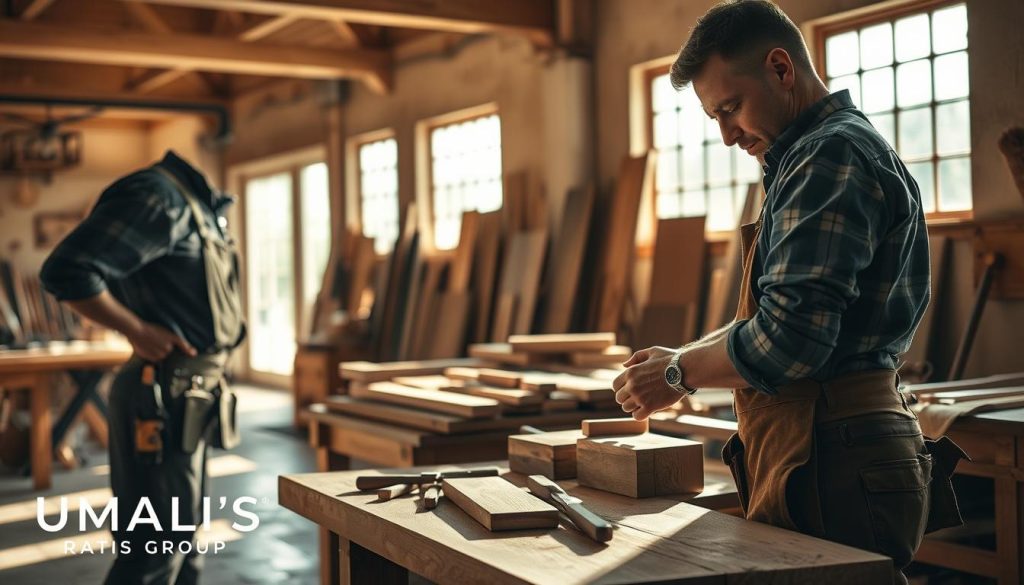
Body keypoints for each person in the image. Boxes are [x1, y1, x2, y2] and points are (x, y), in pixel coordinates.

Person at [611, 2, 963, 583]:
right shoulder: (809, 156)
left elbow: (792, 339)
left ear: (781, 69)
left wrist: (679, 374)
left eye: (731, 109)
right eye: (714, 119)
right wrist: (678, 360)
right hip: (822, 448)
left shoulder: (829, 155)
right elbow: (780, 313)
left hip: (837, 456)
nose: (726, 135)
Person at [41, 150, 245, 585]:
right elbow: (66, 270)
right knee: (154, 549)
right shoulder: (159, 197)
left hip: (192, 393)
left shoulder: (194, 203)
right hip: (161, 394)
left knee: (182, 542)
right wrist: (135, 329)